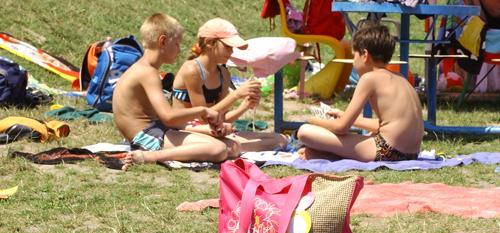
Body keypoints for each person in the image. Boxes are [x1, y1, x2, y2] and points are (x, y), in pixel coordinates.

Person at [113, 13, 228, 170]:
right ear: (163, 41)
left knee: (225, 144)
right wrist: (203, 110)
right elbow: (168, 117)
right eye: (177, 44)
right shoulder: (148, 73)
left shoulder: (144, 68)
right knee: (219, 149)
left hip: (153, 129)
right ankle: (149, 156)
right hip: (144, 135)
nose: (179, 50)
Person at [297, 23, 424, 162]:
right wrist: (343, 115)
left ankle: (325, 154)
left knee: (304, 131)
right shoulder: (400, 78)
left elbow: (341, 128)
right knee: (368, 136)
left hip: (387, 151)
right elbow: (387, 124)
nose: (353, 62)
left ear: (364, 55)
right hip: (411, 153)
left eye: (354, 56)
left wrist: (313, 120)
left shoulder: (369, 78)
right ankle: (324, 154)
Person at [172, 18, 288, 153]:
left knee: (281, 139)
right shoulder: (192, 70)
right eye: (227, 47)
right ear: (210, 43)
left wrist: (245, 105)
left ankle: (231, 147)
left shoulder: (223, 73)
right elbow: (204, 117)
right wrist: (236, 95)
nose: (232, 52)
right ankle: (230, 147)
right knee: (234, 144)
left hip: (212, 129)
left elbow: (220, 118)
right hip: (186, 129)